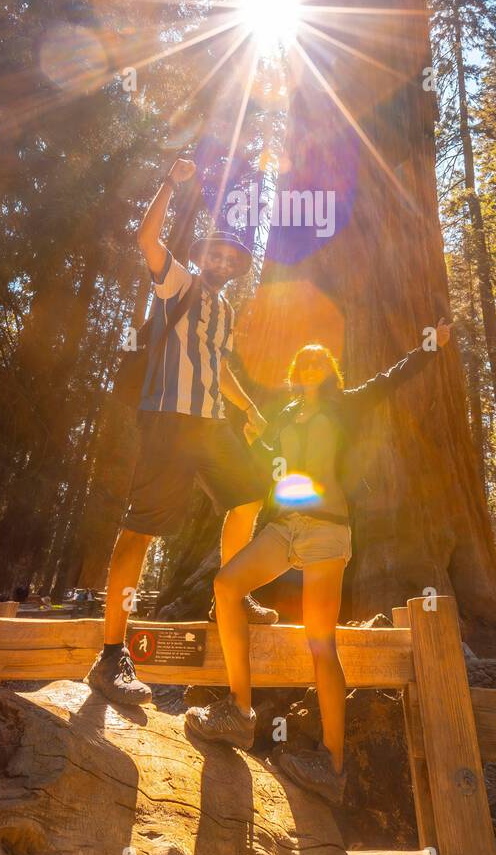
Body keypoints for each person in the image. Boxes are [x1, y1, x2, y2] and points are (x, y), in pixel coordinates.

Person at [184, 318, 453, 804]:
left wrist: (430, 345)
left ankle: (332, 766)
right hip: (284, 528)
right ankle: (239, 712)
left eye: (319, 359)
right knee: (226, 587)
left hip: (328, 530)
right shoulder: (286, 414)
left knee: (321, 644)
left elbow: (392, 377)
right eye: (302, 360)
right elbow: (274, 464)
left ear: (329, 371)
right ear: (295, 371)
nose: (310, 364)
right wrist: (252, 440)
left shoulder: (345, 405)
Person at [85, 156, 276, 712]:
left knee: (249, 496)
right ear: (202, 255)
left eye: (231, 256)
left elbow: (217, 369)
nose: (221, 260)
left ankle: (228, 597)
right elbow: (145, 237)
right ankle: (110, 653)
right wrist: (170, 183)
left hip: (211, 426)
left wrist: (247, 410)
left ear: (238, 267)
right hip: (168, 423)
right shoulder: (177, 282)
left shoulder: (222, 309)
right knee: (140, 532)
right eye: (214, 251)